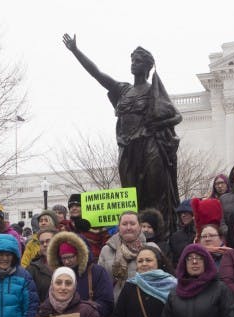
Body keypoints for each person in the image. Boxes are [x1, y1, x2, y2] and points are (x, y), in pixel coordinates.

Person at [63, 35, 182, 227]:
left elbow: (177, 116)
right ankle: (134, 230)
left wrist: (157, 126)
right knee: (131, 195)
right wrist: (76, 51)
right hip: (128, 148)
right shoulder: (123, 90)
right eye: (133, 60)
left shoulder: (154, 91)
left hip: (150, 145)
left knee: (155, 192)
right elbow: (97, 74)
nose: (134, 64)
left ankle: (161, 231)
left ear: (148, 66)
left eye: (139, 61)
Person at [46, 231, 114, 317]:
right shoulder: (58, 275)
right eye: (63, 258)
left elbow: (107, 303)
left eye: (70, 257)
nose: (66, 262)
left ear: (80, 254)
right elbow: (49, 301)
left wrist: (82, 313)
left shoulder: (97, 272)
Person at [99, 210, 147, 299]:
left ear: (140, 227)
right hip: (115, 305)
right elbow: (100, 282)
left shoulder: (149, 249)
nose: (128, 227)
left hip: (143, 304)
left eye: (132, 224)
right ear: (119, 227)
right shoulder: (106, 250)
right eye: (124, 224)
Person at [26, 228, 57, 302]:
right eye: (42, 243)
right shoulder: (32, 268)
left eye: (48, 241)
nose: (45, 245)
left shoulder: (66, 264)